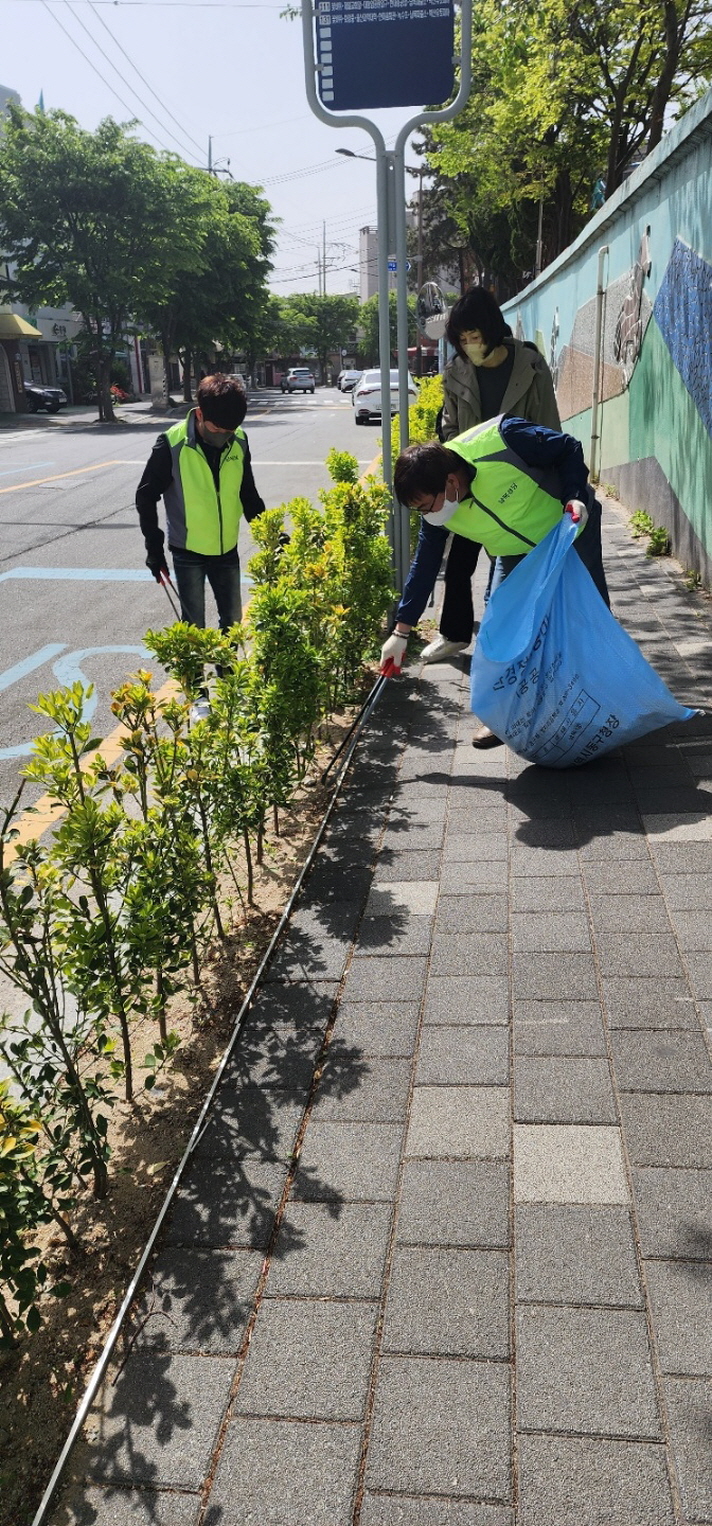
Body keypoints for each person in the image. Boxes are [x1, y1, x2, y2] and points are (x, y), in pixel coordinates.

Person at [379, 416, 609, 747]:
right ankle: (505, 719)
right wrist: (401, 632)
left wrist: (575, 496)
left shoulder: (504, 439)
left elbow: (567, 447)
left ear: (451, 481)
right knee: (502, 634)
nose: (427, 515)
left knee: (591, 616)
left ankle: (601, 704)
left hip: (570, 527)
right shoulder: (439, 513)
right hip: (515, 552)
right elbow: (425, 565)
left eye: (427, 505)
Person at [422, 287, 561, 664]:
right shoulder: (456, 371)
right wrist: (459, 462)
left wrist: (553, 482)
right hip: (469, 478)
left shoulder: (530, 366)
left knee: (516, 564)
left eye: (475, 337)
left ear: (492, 331)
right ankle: (453, 634)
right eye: (462, 339)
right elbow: (448, 427)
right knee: (459, 564)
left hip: (519, 482)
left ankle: (517, 642)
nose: (469, 346)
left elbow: (549, 427)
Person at [136, 374, 266, 716]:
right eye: (217, 429)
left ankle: (229, 684)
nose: (224, 437)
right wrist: (154, 548)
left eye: (230, 431)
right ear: (198, 414)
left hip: (227, 550)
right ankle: (198, 696)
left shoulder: (238, 440)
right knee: (194, 628)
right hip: (188, 551)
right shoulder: (172, 444)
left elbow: (248, 494)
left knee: (232, 623)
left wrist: (270, 535)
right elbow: (146, 495)